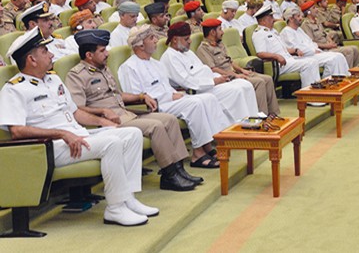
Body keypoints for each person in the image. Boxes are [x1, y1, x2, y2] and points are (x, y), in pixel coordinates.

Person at [0, 28, 158, 226]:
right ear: (31, 60)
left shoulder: (53, 79)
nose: (51, 55)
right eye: (44, 52)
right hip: (50, 147)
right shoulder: (14, 89)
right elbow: (17, 131)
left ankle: (128, 198)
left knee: (132, 134)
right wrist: (62, 133)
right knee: (111, 144)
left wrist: (102, 122)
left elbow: (75, 113)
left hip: (76, 136)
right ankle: (115, 208)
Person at [65, 29, 201, 192]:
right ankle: (169, 174)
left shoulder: (104, 68)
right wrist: (103, 111)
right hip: (111, 121)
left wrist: (141, 96)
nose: (107, 53)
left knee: (169, 119)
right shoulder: (76, 75)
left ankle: (179, 170)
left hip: (125, 112)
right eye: (102, 51)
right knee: (156, 126)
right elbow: (77, 107)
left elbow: (118, 95)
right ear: (89, 55)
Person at [118, 25, 229, 169]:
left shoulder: (155, 63)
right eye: (151, 38)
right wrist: (169, 96)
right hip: (156, 106)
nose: (156, 40)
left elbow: (165, 85)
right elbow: (137, 97)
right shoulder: (128, 67)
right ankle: (198, 154)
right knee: (195, 104)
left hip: (171, 99)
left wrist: (172, 94)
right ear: (140, 45)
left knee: (208, 98)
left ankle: (208, 145)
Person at [159, 21, 257, 122]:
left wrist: (220, 78)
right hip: (199, 90)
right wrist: (214, 81)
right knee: (235, 91)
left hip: (210, 83)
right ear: (175, 39)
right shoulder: (170, 57)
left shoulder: (187, 52)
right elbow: (188, 82)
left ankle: (254, 120)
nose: (190, 41)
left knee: (245, 85)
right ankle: (241, 126)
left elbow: (204, 70)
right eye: (186, 39)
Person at [195, 18, 281, 117]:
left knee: (268, 79)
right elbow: (213, 69)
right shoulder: (203, 49)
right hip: (226, 78)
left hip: (235, 73)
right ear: (212, 32)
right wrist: (236, 75)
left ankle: (273, 114)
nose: (222, 32)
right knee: (259, 82)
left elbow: (230, 61)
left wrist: (242, 70)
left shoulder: (220, 44)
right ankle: (261, 117)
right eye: (220, 29)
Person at [251, 5, 320, 88]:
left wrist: (295, 50)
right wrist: (276, 56)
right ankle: (309, 95)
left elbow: (282, 48)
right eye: (270, 17)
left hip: (288, 59)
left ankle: (315, 92)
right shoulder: (259, 34)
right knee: (309, 64)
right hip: (278, 64)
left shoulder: (273, 31)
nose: (273, 20)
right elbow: (260, 53)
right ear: (263, 21)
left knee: (313, 61)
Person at [281, 7, 350, 78]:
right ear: (291, 19)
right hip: (304, 57)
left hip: (312, 54)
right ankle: (330, 82)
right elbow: (296, 49)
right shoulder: (286, 32)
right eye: (298, 16)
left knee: (339, 56)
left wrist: (316, 49)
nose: (301, 18)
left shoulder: (299, 30)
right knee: (334, 58)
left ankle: (343, 80)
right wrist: (313, 51)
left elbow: (310, 42)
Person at [300, 0, 359, 68]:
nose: (317, 10)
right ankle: (346, 75)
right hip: (322, 50)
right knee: (349, 51)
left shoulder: (317, 21)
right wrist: (327, 46)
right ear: (308, 12)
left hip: (328, 46)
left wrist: (331, 42)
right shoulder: (306, 25)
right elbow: (311, 43)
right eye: (314, 8)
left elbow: (325, 34)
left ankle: (354, 72)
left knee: (355, 49)